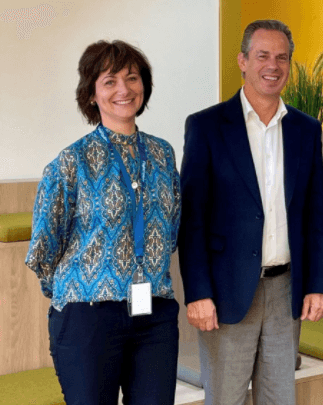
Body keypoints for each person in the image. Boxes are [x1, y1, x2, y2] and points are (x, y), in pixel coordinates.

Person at [178, 19, 323, 405]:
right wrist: (198, 293)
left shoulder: (306, 129)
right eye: (263, 55)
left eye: (282, 57)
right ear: (243, 61)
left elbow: (316, 215)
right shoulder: (206, 126)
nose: (273, 66)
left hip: (286, 289)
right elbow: (192, 220)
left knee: (279, 399)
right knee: (226, 399)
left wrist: (319, 283)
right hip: (226, 291)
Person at [25, 40, 181, 405]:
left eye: (132, 77)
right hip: (88, 317)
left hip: (154, 313)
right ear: (92, 94)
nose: (124, 89)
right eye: (110, 81)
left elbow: (170, 228)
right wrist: (83, 290)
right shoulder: (72, 161)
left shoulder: (162, 153)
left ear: (144, 85)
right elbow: (43, 248)